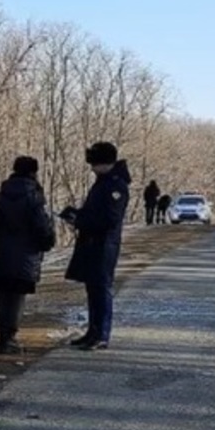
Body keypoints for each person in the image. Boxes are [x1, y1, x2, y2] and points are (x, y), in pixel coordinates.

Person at [59, 141, 131, 351]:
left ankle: (102, 334)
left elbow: (110, 219)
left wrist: (81, 222)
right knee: (92, 288)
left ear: (104, 163)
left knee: (102, 289)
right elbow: (94, 211)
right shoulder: (103, 182)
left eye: (94, 164)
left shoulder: (116, 185)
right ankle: (93, 330)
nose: (91, 168)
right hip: (92, 243)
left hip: (104, 244)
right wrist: (76, 214)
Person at [0, 155, 57, 354]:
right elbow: (41, 227)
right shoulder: (33, 196)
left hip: (2, 253)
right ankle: (9, 339)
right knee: (17, 297)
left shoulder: (1, 196)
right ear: (33, 172)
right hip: (25, 254)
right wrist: (48, 242)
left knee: (4, 295)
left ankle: (4, 336)